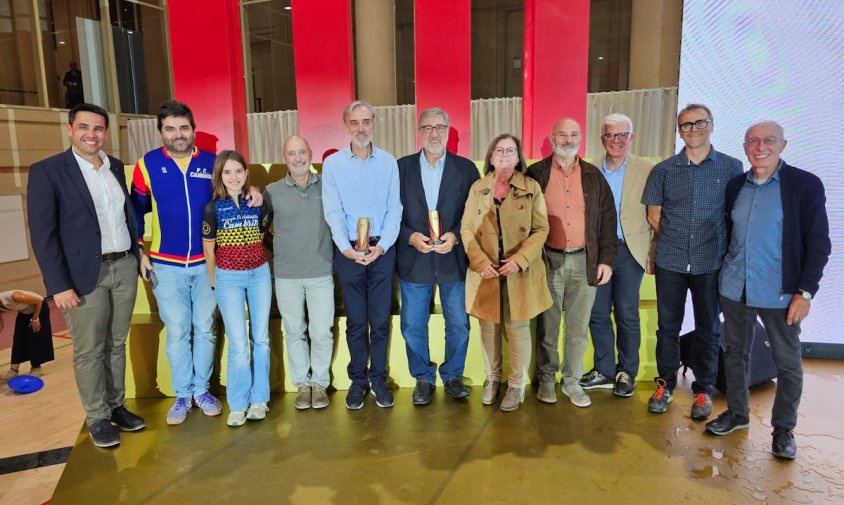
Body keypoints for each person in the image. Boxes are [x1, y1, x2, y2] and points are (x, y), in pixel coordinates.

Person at [131, 100, 263, 425]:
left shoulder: (211, 162)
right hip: (165, 264)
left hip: (208, 264)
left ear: (193, 129)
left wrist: (255, 190)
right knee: (177, 331)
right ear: (161, 132)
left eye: (184, 127)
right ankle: (182, 395)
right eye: (170, 128)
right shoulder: (146, 165)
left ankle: (202, 390)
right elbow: (134, 212)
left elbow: (235, 187)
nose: (178, 134)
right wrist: (139, 250)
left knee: (204, 329)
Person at [705, 121, 830, 461]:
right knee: (735, 353)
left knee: (787, 363)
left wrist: (805, 292)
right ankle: (737, 414)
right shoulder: (735, 186)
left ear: (783, 145)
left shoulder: (804, 185)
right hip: (734, 288)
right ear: (745, 147)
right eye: (753, 141)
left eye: (769, 140)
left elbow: (819, 244)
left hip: (781, 293)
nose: (761, 146)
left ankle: (783, 430)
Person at [28, 103, 144, 448]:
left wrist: (138, 255)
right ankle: (97, 417)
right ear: (69, 129)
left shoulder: (116, 168)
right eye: (84, 128)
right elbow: (43, 235)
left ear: (106, 133)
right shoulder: (48, 171)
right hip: (82, 276)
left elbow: (126, 217)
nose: (91, 134)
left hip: (123, 265)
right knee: (89, 350)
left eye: (98, 129)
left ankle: (117, 406)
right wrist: (57, 284)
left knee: (116, 344)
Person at [642, 103, 743, 419]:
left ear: (711, 125)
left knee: (708, 330)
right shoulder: (664, 170)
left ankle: (703, 391)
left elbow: (735, 214)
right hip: (670, 260)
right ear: (679, 130)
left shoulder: (731, 167)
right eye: (686, 125)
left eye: (700, 123)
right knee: (667, 328)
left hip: (711, 261)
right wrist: (678, 236)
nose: (693, 129)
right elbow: (653, 214)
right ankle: (665, 385)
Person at [527, 118, 617, 408]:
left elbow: (607, 221)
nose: (568, 139)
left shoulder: (593, 175)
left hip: (584, 262)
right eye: (562, 134)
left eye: (573, 134)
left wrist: (606, 260)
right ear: (552, 137)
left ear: (581, 137)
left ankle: (572, 382)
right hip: (547, 261)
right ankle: (546, 380)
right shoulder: (535, 173)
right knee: (547, 328)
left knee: (578, 329)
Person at [461, 134, 551, 412]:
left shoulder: (531, 187)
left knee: (517, 327)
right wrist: (479, 261)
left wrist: (520, 259)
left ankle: (516, 385)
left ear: (518, 157)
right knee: (488, 327)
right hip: (486, 270)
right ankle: (492, 379)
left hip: (518, 271)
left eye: (510, 151)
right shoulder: (478, 187)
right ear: (490, 156)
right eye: (499, 150)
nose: (504, 155)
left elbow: (541, 229)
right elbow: (466, 229)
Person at [322, 100, 402, 410]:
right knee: (356, 321)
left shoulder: (388, 163)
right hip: (347, 250)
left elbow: (394, 209)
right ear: (346, 126)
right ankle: (358, 381)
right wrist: (346, 249)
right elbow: (333, 211)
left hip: (382, 249)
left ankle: (379, 379)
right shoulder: (333, 165)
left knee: (380, 321)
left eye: (366, 121)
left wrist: (382, 247)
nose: (361, 128)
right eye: (355, 122)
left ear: (374, 124)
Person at [397, 108, 479, 406]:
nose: (434, 133)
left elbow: (475, 213)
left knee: (458, 323)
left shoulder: (466, 169)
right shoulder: (401, 168)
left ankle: (453, 376)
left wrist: (456, 235)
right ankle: (423, 378)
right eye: (428, 127)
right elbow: (390, 212)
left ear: (448, 130)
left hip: (452, 259)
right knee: (412, 324)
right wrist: (409, 236)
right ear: (420, 131)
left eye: (440, 127)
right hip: (414, 259)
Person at [581, 113, 655, 398]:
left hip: (629, 251)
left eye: (622, 135)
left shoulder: (647, 169)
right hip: (597, 252)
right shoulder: (588, 170)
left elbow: (656, 214)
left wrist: (652, 252)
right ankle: (604, 371)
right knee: (597, 313)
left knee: (626, 313)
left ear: (631, 138)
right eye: (610, 135)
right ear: (602, 139)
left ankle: (627, 371)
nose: (616, 141)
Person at [202, 150, 272, 427]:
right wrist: (213, 281)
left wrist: (257, 194)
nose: (234, 177)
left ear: (246, 173)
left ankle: (259, 400)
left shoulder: (258, 203)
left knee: (261, 338)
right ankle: (238, 403)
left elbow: (262, 235)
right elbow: (210, 251)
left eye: (239, 171)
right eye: (227, 172)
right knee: (239, 343)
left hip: (259, 275)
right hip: (228, 278)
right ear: (220, 175)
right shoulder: (212, 208)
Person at [265, 136, 335, 410]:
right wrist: (281, 250)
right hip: (286, 275)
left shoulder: (328, 186)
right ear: (285, 158)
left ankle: (319, 383)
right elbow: (261, 229)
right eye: (291, 153)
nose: (298, 158)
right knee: (294, 331)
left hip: (320, 271)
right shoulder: (272, 191)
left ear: (310, 153)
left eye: (302, 152)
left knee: (321, 332)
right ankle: (302, 385)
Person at [0, 290, 54, 380]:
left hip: (39, 308)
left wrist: (35, 319)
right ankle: (13, 371)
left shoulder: (15, 296)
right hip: (24, 311)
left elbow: (38, 301)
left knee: (34, 338)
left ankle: (36, 369)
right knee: (18, 338)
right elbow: (1, 325)